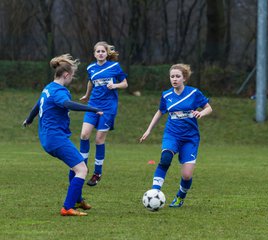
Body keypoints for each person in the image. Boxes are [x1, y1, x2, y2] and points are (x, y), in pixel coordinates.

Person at [23, 54, 104, 216]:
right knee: (82, 169)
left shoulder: (48, 88)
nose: (72, 79)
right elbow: (67, 104)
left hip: (48, 138)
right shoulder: (60, 91)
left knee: (75, 166)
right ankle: (67, 207)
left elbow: (37, 105)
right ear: (66, 75)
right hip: (55, 139)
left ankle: (77, 200)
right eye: (72, 76)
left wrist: (29, 119)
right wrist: (92, 109)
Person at [139, 63, 213, 207]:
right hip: (172, 135)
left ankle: (180, 196)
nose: (174, 79)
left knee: (186, 175)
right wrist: (148, 130)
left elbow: (208, 108)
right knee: (165, 158)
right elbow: (160, 111)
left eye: (178, 76)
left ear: (184, 78)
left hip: (190, 138)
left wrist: (201, 113)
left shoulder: (194, 93)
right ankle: (155, 192)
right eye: (172, 76)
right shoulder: (166, 95)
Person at [79, 41, 128, 186]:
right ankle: (83, 167)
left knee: (99, 140)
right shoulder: (90, 68)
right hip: (93, 105)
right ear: (94, 54)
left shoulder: (114, 67)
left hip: (108, 108)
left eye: (103, 51)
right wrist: (87, 95)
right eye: (98, 51)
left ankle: (97, 173)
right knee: (84, 135)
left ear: (107, 53)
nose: (100, 53)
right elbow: (90, 82)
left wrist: (116, 85)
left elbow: (125, 83)